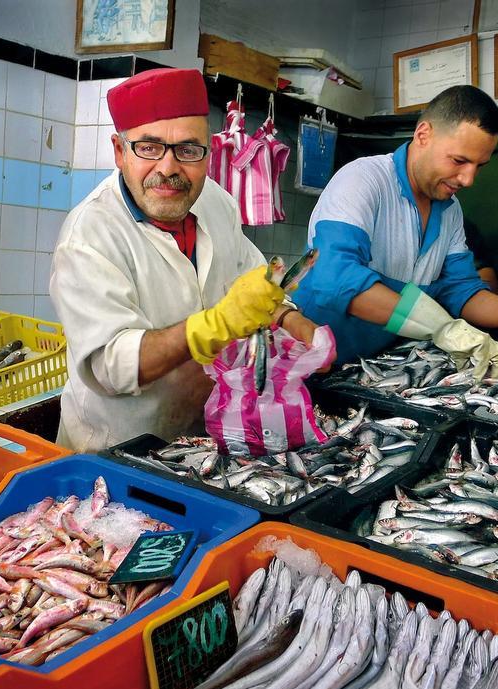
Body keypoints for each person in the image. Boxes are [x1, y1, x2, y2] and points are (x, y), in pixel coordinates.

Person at [50, 68, 322, 453]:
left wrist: (293, 322)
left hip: (206, 436)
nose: (168, 168)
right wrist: (211, 326)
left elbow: (254, 284)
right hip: (117, 450)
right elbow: (110, 367)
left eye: (188, 150)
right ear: (119, 152)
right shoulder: (89, 235)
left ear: (208, 153)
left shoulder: (215, 202)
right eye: (148, 147)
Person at [292, 85, 498, 377]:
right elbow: (335, 280)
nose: (468, 179)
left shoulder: (450, 210)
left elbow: (463, 292)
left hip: (374, 369)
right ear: (423, 135)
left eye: (479, 166)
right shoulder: (363, 181)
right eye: (459, 161)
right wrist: (441, 327)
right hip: (311, 364)